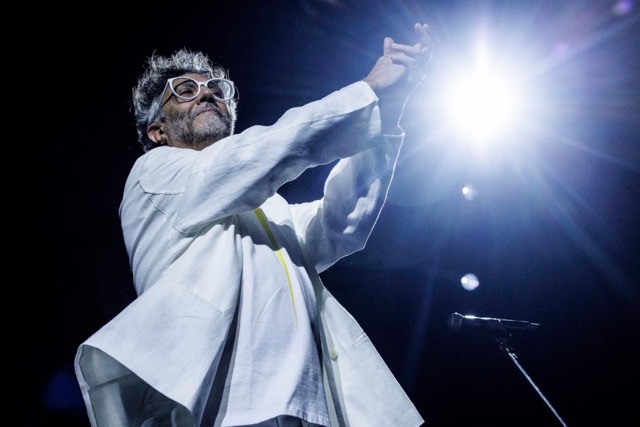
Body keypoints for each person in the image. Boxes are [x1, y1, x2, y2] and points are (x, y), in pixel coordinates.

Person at [75, 22, 434, 427]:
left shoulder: (268, 209)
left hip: (310, 407)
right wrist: (368, 91)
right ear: (157, 131)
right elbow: (260, 154)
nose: (207, 94)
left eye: (216, 90)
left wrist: (388, 111)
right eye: (185, 91)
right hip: (230, 407)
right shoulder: (154, 174)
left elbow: (339, 226)